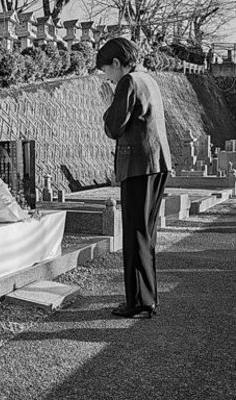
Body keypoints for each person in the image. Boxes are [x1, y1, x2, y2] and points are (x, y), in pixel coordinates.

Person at [96, 37, 172, 318]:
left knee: (135, 233)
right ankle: (147, 298)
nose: (107, 77)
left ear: (117, 63)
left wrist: (109, 102)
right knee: (146, 234)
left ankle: (138, 302)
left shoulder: (128, 82)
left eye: (106, 70)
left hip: (138, 165)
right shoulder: (147, 78)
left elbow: (114, 127)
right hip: (157, 162)